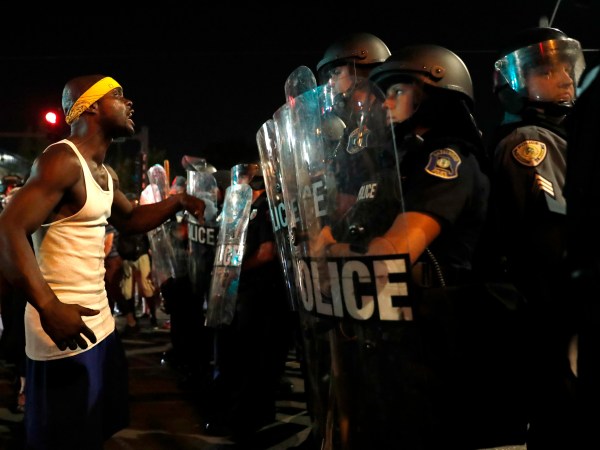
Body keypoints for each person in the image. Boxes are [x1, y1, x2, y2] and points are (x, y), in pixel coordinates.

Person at [303, 44, 509, 449]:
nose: (385, 103)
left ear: (435, 94)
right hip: (380, 340)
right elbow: (331, 237)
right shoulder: (394, 167)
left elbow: (390, 255)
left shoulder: (447, 161)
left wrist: (333, 254)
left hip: (428, 343)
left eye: (397, 91)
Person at [0, 74, 205, 450]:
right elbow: (7, 230)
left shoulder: (104, 174)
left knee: (93, 429)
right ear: (92, 106)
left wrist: (177, 201)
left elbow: (130, 220)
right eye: (119, 96)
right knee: (61, 439)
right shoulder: (62, 159)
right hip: (61, 328)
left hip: (99, 324)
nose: (130, 104)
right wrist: (47, 306)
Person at [489, 27, 586, 450]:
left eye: (565, 66)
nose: (564, 77)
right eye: (546, 71)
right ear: (514, 83)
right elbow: (549, 243)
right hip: (557, 319)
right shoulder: (529, 142)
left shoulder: (568, 137)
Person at [203, 163, 293, 440]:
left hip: (264, 297)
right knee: (245, 358)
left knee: (254, 359)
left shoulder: (266, 207)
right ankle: (251, 414)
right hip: (246, 296)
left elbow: (267, 252)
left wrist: (233, 270)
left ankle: (247, 419)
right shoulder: (240, 210)